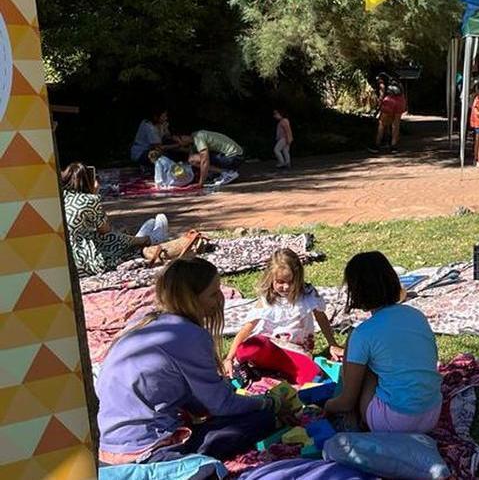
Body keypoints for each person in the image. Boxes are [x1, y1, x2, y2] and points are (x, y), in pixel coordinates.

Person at [97, 259, 285, 464]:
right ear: (191, 299)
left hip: (108, 446)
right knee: (261, 418)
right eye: (213, 294)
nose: (220, 299)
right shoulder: (190, 335)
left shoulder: (142, 322)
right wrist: (268, 402)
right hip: (149, 449)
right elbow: (222, 405)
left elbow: (192, 398)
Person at [323, 251, 442, 433]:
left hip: (393, 422)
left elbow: (346, 402)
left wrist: (326, 406)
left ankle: (355, 422)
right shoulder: (416, 315)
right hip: (432, 414)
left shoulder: (362, 333)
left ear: (356, 292)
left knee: (365, 367)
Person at [224, 249, 344, 384]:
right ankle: (250, 366)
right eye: (280, 282)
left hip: (295, 352)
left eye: (290, 281)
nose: (286, 287)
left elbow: (321, 318)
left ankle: (271, 371)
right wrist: (229, 358)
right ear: (271, 279)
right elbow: (246, 329)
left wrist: (332, 344)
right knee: (253, 344)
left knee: (313, 376)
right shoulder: (267, 300)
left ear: (298, 277)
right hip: (271, 348)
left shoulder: (308, 295)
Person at [61, 162, 171, 276]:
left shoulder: (62, 197)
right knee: (108, 236)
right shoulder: (89, 200)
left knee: (106, 234)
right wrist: (95, 195)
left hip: (68, 257)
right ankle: (148, 239)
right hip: (85, 259)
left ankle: (140, 239)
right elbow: (105, 230)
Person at [373, 74, 407, 153]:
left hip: (389, 100)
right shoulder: (394, 78)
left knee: (382, 123)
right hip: (400, 100)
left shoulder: (380, 76)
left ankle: (377, 145)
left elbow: (382, 89)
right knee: (396, 124)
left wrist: (380, 102)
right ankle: (393, 146)